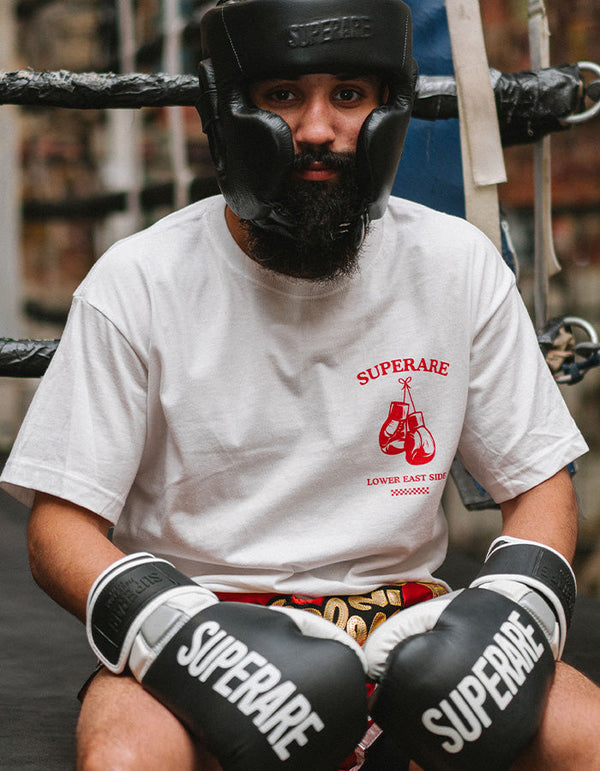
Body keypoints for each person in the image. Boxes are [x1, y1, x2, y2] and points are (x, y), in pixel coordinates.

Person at [2, 0, 600, 768]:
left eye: (348, 95)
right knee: (127, 756)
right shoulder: (140, 279)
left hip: (411, 623)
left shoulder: (456, 262)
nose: (318, 129)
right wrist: (177, 631)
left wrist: (516, 610)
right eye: (283, 95)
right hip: (208, 620)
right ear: (227, 109)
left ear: (390, 106)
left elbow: (540, 482)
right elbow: (58, 529)